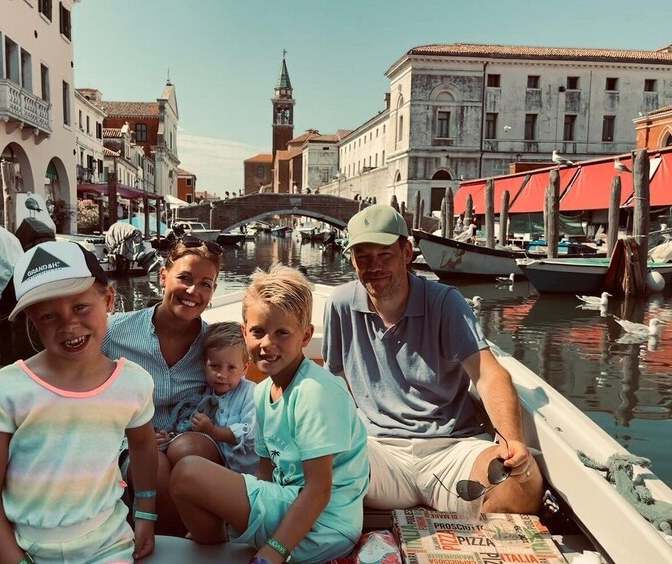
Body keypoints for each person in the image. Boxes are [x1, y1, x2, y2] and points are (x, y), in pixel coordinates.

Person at [322, 204, 543, 516]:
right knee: (311, 467)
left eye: (384, 254)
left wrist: (512, 441)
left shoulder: (445, 302)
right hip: (377, 452)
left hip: (451, 449)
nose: (374, 266)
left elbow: (489, 375)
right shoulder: (340, 305)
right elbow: (333, 383)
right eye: (363, 256)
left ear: (407, 253)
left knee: (522, 485)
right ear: (352, 260)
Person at [0, 241, 159, 564]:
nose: (69, 325)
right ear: (32, 320)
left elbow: (143, 446)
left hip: (106, 547)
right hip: (23, 549)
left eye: (81, 307)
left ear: (109, 299)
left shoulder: (134, 383)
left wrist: (147, 514)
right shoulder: (3, 391)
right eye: (49, 316)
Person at [170, 264, 369, 564]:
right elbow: (266, 472)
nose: (267, 344)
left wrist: (274, 552)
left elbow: (319, 490)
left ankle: (227, 543)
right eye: (258, 332)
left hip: (326, 527)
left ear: (305, 336)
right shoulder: (263, 393)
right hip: (289, 508)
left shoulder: (314, 391)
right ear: (244, 333)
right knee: (190, 479)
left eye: (282, 333)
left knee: (188, 473)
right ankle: (222, 543)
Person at [102, 235, 223, 535]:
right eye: (184, 278)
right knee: (152, 465)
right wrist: (127, 440)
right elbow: (82, 390)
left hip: (193, 441)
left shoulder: (215, 345)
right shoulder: (113, 332)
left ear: (213, 291)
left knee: (189, 449)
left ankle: (199, 539)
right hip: (133, 444)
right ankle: (167, 544)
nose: (193, 291)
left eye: (205, 284)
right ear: (163, 277)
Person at [189, 321, 258, 474]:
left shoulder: (251, 393)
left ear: (245, 368)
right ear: (204, 365)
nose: (222, 375)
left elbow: (250, 435)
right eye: (214, 366)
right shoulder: (205, 396)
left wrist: (212, 430)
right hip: (225, 470)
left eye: (231, 368)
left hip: (255, 475)